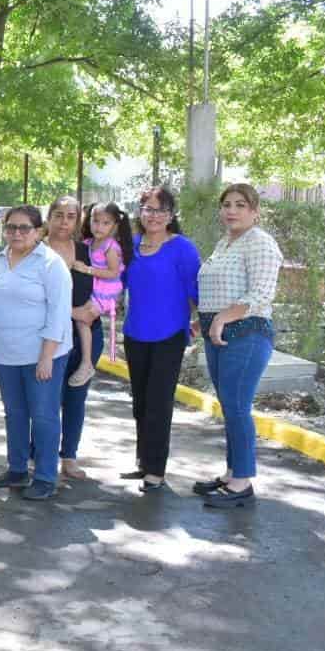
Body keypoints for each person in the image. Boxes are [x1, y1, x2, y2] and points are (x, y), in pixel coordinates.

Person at [194, 183, 283, 508]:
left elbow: (261, 294)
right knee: (229, 407)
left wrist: (221, 318)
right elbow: (219, 289)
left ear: (255, 212)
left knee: (237, 407)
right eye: (227, 204)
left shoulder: (260, 243)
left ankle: (242, 483)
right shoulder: (226, 243)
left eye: (241, 205)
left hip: (246, 335)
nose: (231, 210)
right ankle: (232, 473)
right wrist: (203, 319)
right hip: (219, 334)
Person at [0, 205, 73, 502]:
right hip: (5, 352)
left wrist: (47, 356)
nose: (16, 233)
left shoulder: (50, 264)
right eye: (11, 227)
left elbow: (58, 313)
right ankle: (17, 468)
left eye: (24, 228)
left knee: (43, 416)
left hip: (42, 355)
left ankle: (45, 476)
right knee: (15, 414)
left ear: (38, 231)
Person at [121, 186, 201, 492]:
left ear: (170, 216)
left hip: (168, 336)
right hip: (135, 334)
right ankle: (144, 462)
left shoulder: (183, 248)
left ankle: (156, 469)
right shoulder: (132, 245)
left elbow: (197, 292)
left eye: (161, 210)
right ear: (140, 212)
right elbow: (116, 281)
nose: (153, 216)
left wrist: (194, 323)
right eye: (148, 209)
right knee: (140, 402)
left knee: (158, 402)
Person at [44, 196, 104, 480]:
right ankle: (38, 454)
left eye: (70, 216)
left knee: (76, 399)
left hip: (87, 333)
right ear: (49, 217)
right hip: (48, 336)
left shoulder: (88, 251)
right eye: (58, 215)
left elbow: (110, 285)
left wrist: (94, 309)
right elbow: (31, 297)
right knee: (45, 399)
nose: (64, 221)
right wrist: (72, 311)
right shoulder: (36, 251)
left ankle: (69, 456)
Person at [68, 202, 131, 386]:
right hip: (94, 287)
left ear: (114, 226)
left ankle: (87, 363)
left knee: (82, 319)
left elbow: (113, 273)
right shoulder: (88, 243)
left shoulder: (110, 246)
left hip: (106, 290)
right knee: (81, 319)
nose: (99, 227)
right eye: (96, 221)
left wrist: (88, 270)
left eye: (106, 223)